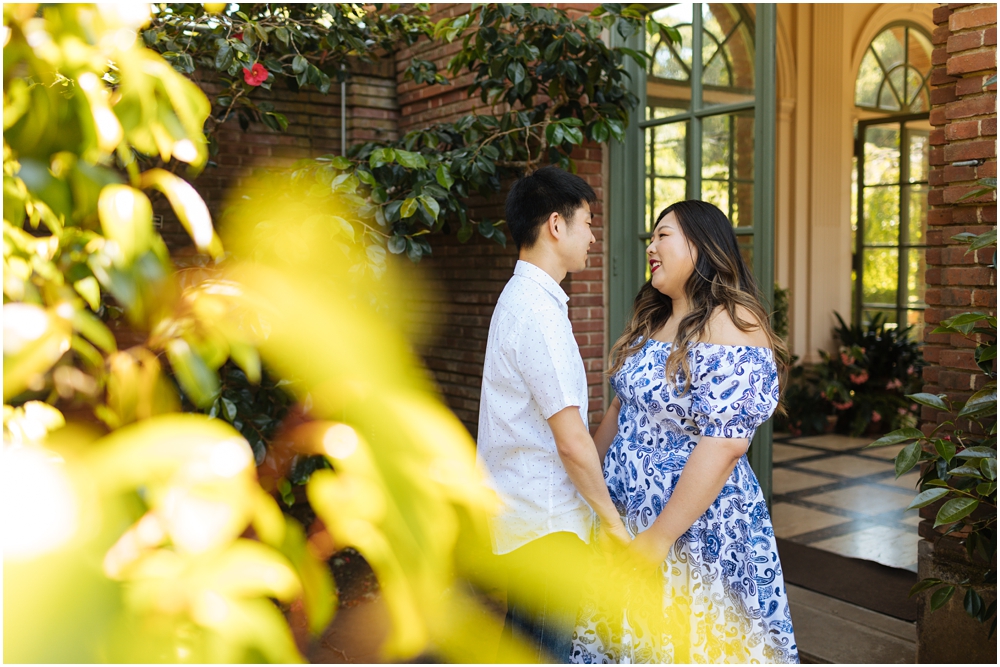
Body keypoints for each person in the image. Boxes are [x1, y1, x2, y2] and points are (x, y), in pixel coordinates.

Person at [571, 200, 799, 664]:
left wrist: (655, 541)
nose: (650, 247)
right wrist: (586, 486)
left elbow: (727, 442)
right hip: (625, 510)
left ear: (701, 244)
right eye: (651, 238)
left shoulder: (733, 323)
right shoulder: (653, 318)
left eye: (663, 235)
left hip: (691, 527)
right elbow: (621, 406)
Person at [477, 166, 632, 663]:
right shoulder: (538, 314)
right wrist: (612, 524)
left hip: (523, 515)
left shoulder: (521, 299)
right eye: (587, 222)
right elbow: (570, 439)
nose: (593, 236)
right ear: (556, 225)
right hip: (546, 525)